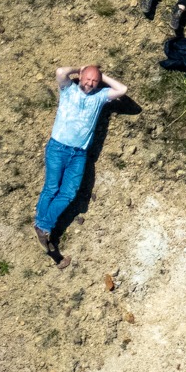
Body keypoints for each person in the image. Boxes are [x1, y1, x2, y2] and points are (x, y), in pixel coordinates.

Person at [34, 65, 129, 268]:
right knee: (51, 188)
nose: (90, 83)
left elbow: (122, 90)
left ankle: (43, 226)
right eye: (87, 79)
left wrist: (102, 77)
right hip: (58, 148)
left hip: (79, 154)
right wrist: (80, 68)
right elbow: (60, 72)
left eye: (94, 81)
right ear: (80, 77)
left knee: (69, 193)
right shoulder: (68, 89)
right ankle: (43, 227)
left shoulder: (101, 95)